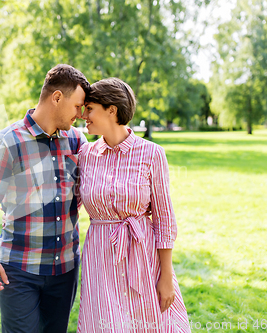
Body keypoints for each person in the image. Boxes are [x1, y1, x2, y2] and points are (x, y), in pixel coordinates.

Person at [0, 64, 90, 333]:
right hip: (20, 270)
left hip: (65, 269)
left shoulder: (76, 141)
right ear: (57, 97)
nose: (81, 115)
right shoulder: (7, 142)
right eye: (77, 106)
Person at [77, 78, 191, 332]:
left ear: (111, 110)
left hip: (142, 255)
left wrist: (166, 276)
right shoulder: (85, 155)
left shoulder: (152, 154)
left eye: (90, 108)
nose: (84, 115)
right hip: (100, 257)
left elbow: (164, 219)